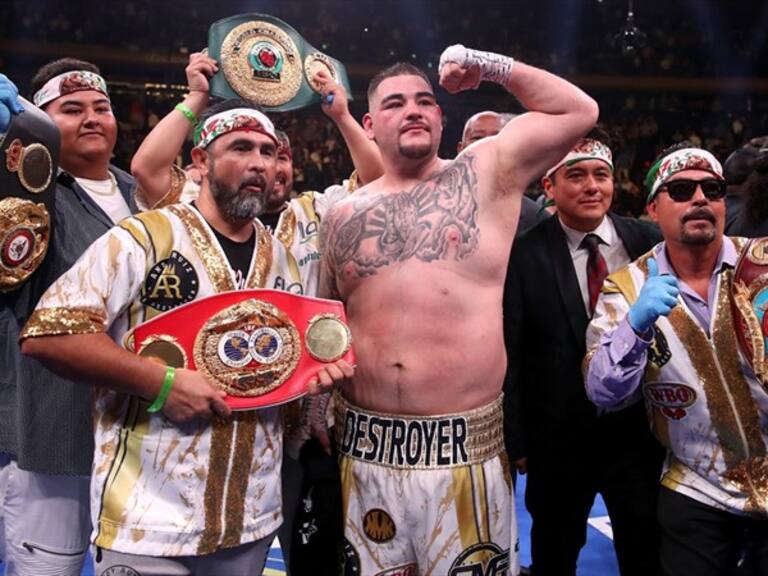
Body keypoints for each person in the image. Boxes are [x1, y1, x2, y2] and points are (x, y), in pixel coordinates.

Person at [20, 102, 352, 575]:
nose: (260, 162)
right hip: (147, 518)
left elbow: (274, 373)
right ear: (200, 162)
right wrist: (160, 384)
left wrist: (310, 381)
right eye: (240, 148)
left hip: (251, 519)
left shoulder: (283, 259)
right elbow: (48, 334)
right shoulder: (145, 236)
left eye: (268, 151)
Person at [320, 44, 598, 573]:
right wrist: (314, 408)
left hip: (465, 449)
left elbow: (579, 111)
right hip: (365, 447)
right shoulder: (342, 215)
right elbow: (329, 319)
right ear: (370, 122)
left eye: (425, 100)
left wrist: (490, 67)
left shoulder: (484, 172)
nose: (414, 110)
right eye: (397, 103)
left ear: (441, 118)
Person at [130, 52, 383, 573]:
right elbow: (147, 168)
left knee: (302, 544)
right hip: (201, 405)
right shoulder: (193, 204)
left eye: (279, 156)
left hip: (300, 407)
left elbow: (377, 182)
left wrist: (340, 114)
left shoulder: (315, 212)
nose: (270, 166)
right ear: (207, 162)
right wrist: (196, 98)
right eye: (247, 150)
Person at [585, 142, 768, 576]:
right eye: (682, 189)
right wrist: (635, 326)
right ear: (653, 208)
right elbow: (601, 392)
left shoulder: (762, 262)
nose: (701, 198)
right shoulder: (627, 288)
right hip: (695, 486)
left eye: (713, 188)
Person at [503, 130, 663, 575]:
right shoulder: (524, 253)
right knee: (555, 554)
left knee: (644, 552)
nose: (592, 186)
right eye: (576, 175)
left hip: (637, 436)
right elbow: (511, 348)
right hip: (556, 439)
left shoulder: (647, 241)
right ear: (549, 187)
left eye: (601, 175)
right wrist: (515, 438)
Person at [0, 60, 137, 576]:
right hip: (50, 428)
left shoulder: (139, 193)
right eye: (71, 109)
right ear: (39, 121)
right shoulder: (29, 191)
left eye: (101, 107)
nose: (91, 118)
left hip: (130, 428)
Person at [457, 110, 545, 235]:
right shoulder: (431, 204)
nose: (486, 144)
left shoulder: (538, 219)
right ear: (461, 149)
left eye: (496, 137)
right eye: (477, 138)